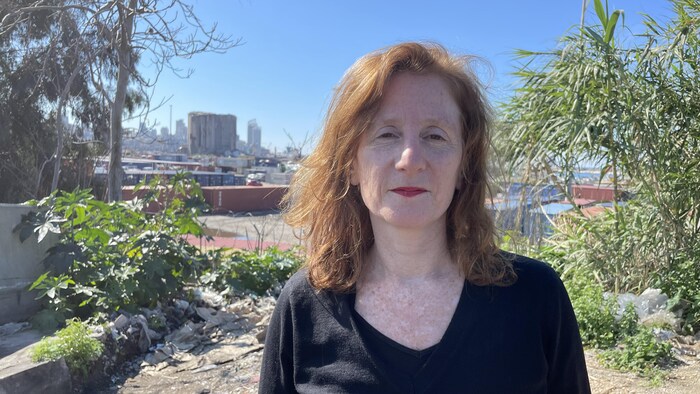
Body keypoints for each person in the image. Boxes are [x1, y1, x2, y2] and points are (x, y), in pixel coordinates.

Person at [259, 42, 590, 394]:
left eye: (435, 136)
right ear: (351, 164)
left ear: (464, 166)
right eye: (386, 134)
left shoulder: (536, 297)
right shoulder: (304, 305)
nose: (410, 159)